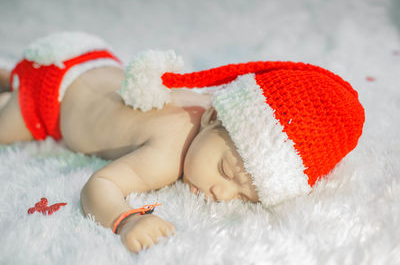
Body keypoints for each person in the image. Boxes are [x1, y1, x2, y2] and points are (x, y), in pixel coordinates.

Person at [0, 32, 365, 253]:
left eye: (242, 195)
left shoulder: (210, 101)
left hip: (87, 57)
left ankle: (9, 74)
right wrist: (125, 221)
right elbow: (100, 185)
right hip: (48, 99)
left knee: (12, 76)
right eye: (225, 171)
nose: (223, 193)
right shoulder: (167, 154)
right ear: (212, 118)